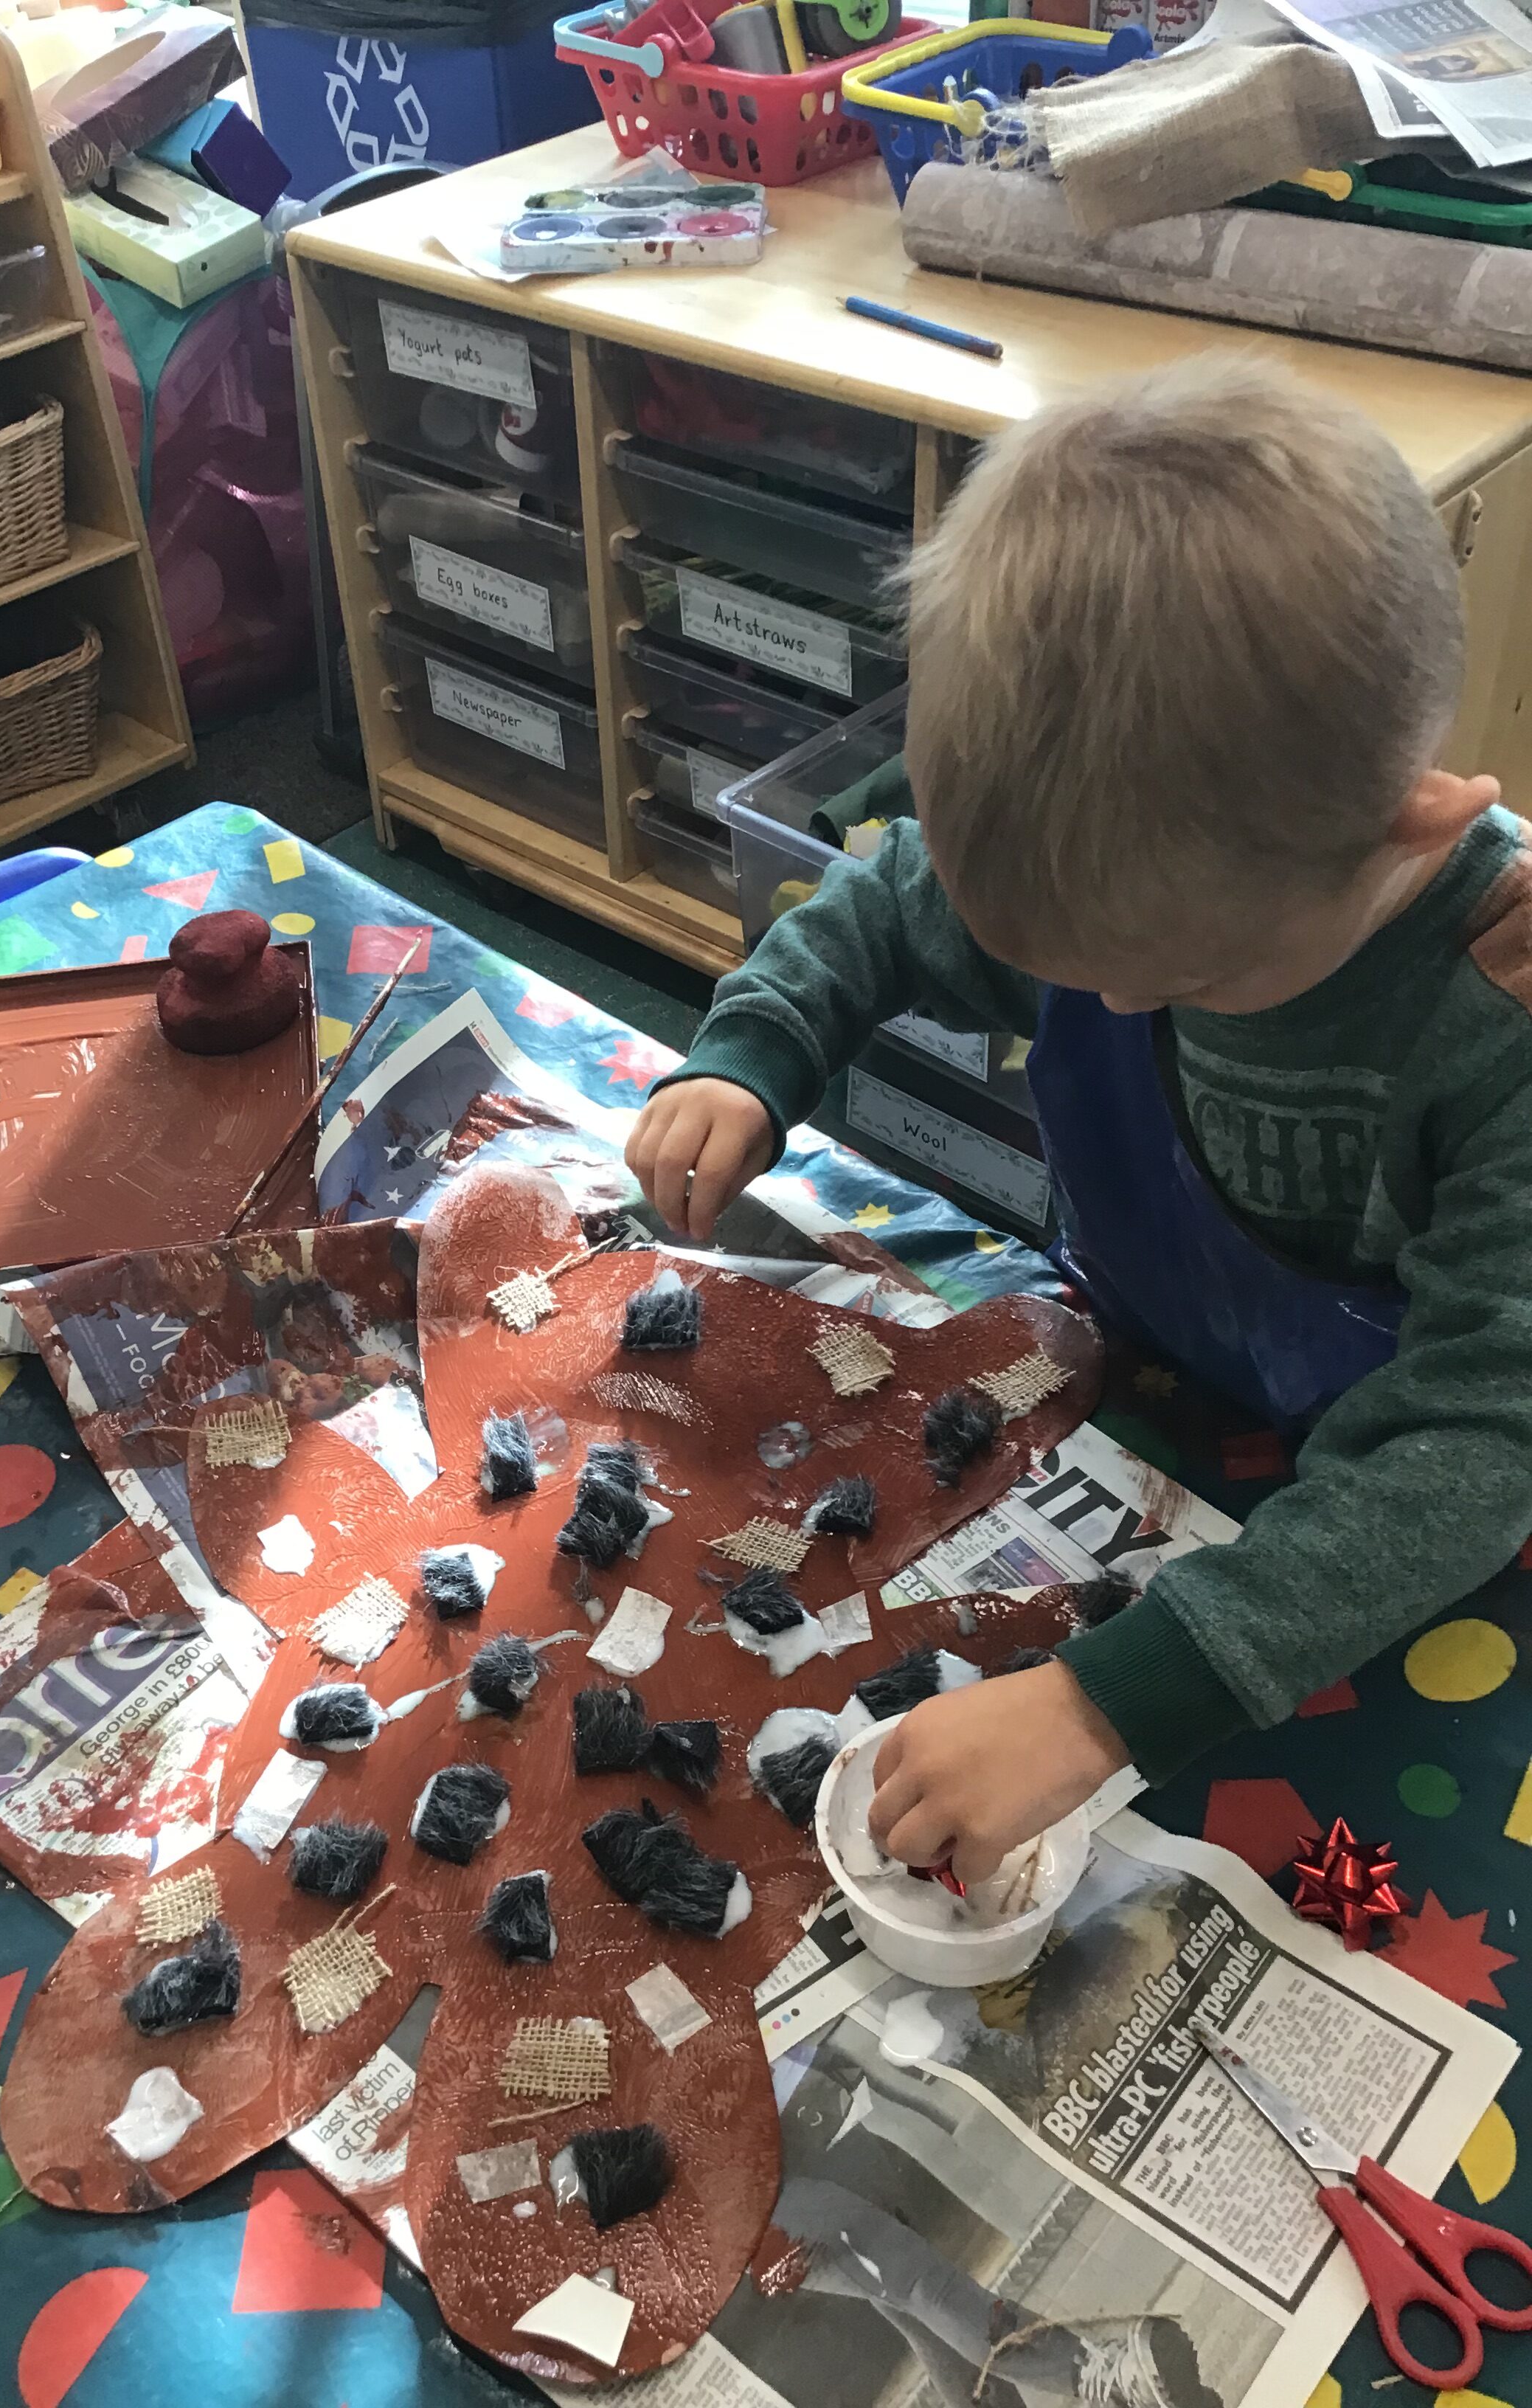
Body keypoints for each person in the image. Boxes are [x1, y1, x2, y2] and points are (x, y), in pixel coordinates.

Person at [626, 356, 1532, 1883]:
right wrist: (749, 1055)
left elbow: (1475, 1442)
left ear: (1419, 818)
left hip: (1405, 1508)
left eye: (1177, 981)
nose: (1113, 1009)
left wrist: (1103, 1709)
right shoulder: (1143, 864)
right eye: (1070, 971)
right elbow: (881, 902)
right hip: (1156, 1379)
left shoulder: (1497, 1023)